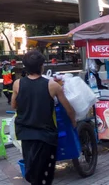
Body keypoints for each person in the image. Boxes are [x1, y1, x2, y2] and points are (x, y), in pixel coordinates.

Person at [12, 50, 76, 185]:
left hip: (26, 134)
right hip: (45, 136)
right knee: (44, 175)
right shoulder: (52, 85)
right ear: (42, 66)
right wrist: (73, 121)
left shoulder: (18, 84)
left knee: (32, 171)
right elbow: (68, 108)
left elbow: (14, 105)